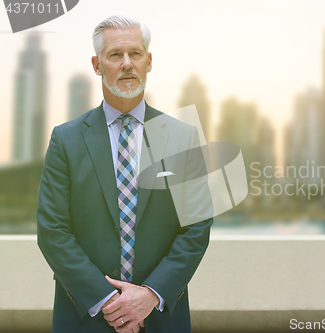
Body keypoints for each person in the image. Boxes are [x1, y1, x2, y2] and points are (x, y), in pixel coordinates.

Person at [37, 15, 212, 333]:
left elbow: (196, 226)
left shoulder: (182, 136)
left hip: (160, 315)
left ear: (149, 61)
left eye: (136, 53)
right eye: (115, 55)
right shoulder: (66, 139)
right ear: (97, 64)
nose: (127, 63)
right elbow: (53, 231)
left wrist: (149, 295)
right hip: (85, 315)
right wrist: (108, 302)